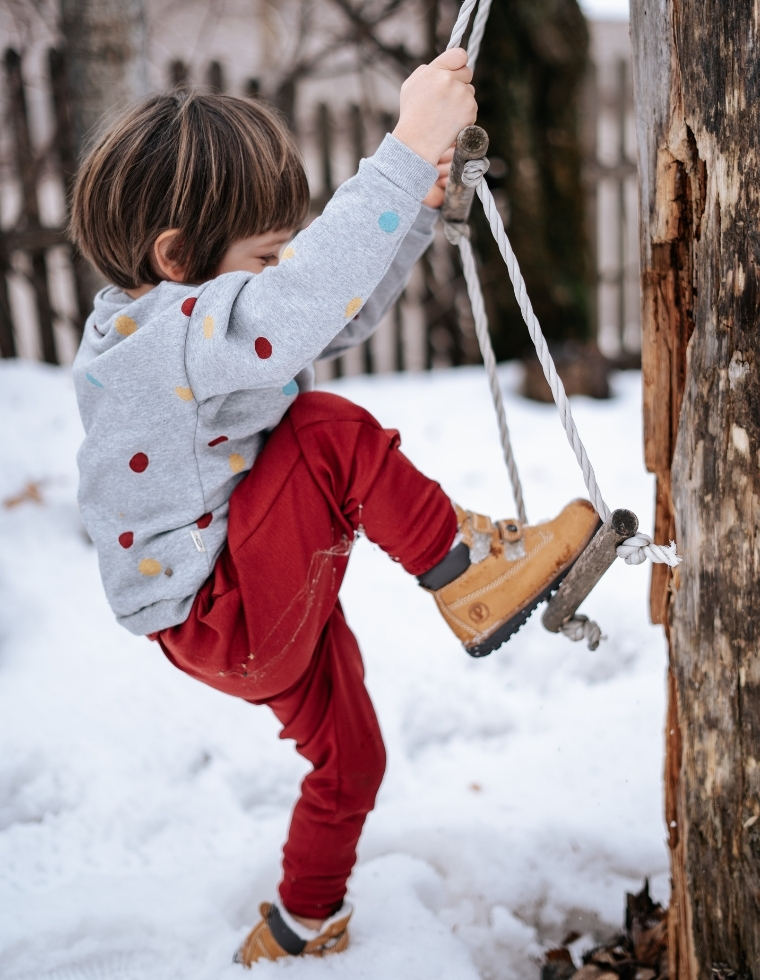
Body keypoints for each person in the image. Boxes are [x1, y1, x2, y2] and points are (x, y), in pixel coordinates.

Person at [69, 49, 598, 966]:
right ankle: (469, 573)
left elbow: (326, 311)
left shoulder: (208, 326)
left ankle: (302, 921)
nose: (282, 273)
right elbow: (303, 300)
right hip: (224, 612)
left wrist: (412, 212)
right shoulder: (155, 340)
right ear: (175, 260)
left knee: (351, 761)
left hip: (247, 606)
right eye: (266, 257)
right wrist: (402, 150)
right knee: (321, 433)